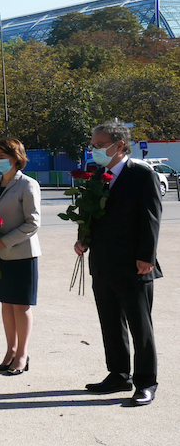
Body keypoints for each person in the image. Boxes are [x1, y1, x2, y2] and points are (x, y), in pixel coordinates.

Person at [75, 122, 163, 406]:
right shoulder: (97, 176)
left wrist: (146, 257)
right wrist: (83, 238)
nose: (95, 150)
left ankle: (146, 382)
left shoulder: (141, 174)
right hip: (102, 262)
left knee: (140, 326)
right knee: (110, 322)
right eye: (93, 145)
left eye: (100, 145)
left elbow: (151, 218)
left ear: (120, 145)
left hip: (134, 263)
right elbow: (89, 213)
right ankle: (118, 374)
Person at [0, 138, 41, 376]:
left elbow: (33, 222)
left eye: (3, 156)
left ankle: (22, 355)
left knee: (20, 305)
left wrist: (4, 241)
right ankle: (10, 350)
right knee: (6, 304)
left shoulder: (27, 184)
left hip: (21, 254)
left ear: (16, 158)